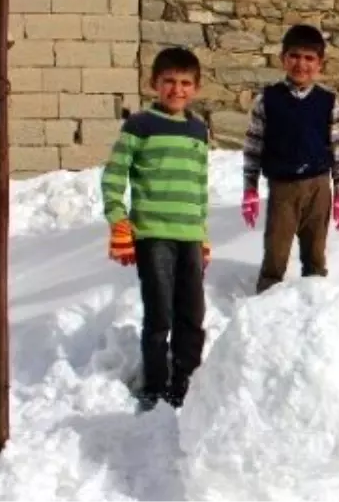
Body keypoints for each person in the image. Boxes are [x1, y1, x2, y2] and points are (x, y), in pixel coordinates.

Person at [101, 46, 211, 412]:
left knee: (191, 314)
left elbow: (199, 187)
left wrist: (204, 235)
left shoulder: (198, 130)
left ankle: (186, 383)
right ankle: (155, 385)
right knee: (160, 313)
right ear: (154, 84)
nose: (176, 90)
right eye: (169, 82)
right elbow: (114, 177)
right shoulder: (140, 126)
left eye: (185, 83)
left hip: (189, 237)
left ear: (195, 88)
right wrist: (119, 222)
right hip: (153, 235)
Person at [240, 23, 339, 294]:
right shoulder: (267, 100)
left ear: (320, 64)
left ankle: (314, 302)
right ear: (283, 59)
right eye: (294, 56)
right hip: (283, 189)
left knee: (315, 253)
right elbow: (253, 146)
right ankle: (266, 301)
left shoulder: (328, 101)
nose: (301, 64)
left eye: (309, 58)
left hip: (318, 187)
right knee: (276, 252)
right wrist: (250, 190)